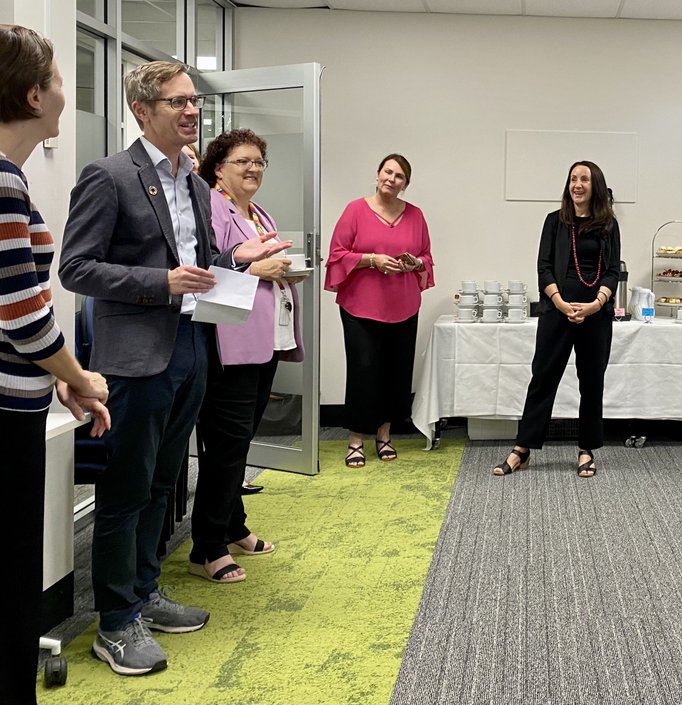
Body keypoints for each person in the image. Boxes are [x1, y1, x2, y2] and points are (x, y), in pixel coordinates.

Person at [59, 60, 290, 676]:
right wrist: (159, 282)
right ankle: (114, 621)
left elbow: (205, 258)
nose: (192, 111)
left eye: (194, 101)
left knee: (165, 482)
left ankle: (146, 591)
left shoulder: (191, 182)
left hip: (191, 345)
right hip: (135, 356)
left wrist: (244, 254)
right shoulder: (109, 176)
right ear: (143, 110)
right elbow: (76, 269)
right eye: (178, 102)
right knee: (127, 488)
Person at [0, 24, 111, 704]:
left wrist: (57, 378)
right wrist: (79, 375)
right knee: (12, 578)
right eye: (62, 82)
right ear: (34, 92)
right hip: (6, 412)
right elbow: (23, 315)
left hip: (21, 396)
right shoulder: (4, 185)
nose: (68, 97)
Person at [188, 128, 302, 583]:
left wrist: (282, 272)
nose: (253, 168)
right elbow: (207, 264)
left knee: (240, 442)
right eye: (243, 161)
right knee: (227, 445)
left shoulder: (257, 211)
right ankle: (206, 548)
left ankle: (233, 526)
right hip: (229, 341)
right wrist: (255, 267)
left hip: (264, 340)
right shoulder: (211, 206)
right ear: (219, 167)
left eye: (259, 161)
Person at [493, 160, 621, 478]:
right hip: (556, 311)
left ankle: (586, 448)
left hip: (596, 315)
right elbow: (544, 267)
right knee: (543, 378)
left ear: (596, 186)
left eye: (584, 179)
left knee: (591, 383)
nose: (577, 184)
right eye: (572, 179)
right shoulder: (554, 221)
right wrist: (561, 303)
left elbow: (613, 271)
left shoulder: (608, 224)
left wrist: (595, 304)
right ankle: (523, 449)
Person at [325, 154, 434, 467]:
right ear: (377, 175)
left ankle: (384, 435)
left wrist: (416, 263)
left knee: (396, 372)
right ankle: (357, 438)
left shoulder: (416, 215)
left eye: (400, 176)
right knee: (363, 370)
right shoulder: (355, 210)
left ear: (406, 184)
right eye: (388, 172)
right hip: (360, 307)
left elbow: (426, 256)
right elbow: (336, 255)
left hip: (403, 306)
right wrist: (371, 259)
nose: (392, 179)